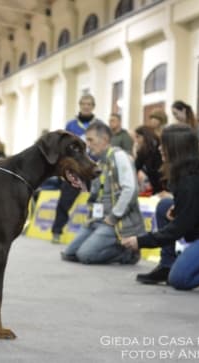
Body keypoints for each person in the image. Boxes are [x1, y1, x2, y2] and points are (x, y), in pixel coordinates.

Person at [121, 124, 199, 290]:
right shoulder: (195, 171)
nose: (159, 148)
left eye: (163, 145)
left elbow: (179, 228)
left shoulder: (191, 181)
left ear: (176, 148)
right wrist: (179, 208)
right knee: (165, 205)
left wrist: (140, 241)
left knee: (180, 279)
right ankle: (166, 264)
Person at [61, 121, 144, 264]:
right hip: (97, 220)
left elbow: (131, 189)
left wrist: (114, 216)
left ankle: (128, 253)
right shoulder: (98, 163)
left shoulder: (119, 156)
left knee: (85, 255)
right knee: (69, 254)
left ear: (104, 139)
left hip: (115, 222)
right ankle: (99, 245)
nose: (87, 144)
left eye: (90, 140)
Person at [51, 94, 102, 243]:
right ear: (80, 105)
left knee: (97, 200)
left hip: (93, 169)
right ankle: (57, 231)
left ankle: (95, 232)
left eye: (89, 104)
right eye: (83, 104)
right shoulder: (71, 125)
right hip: (76, 170)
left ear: (93, 107)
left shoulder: (99, 125)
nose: (86, 106)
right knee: (65, 199)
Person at [134, 126, 163, 195]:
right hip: (157, 186)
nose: (136, 140)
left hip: (160, 186)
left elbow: (135, 167)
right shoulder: (146, 150)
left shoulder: (153, 150)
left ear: (145, 136)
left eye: (138, 137)